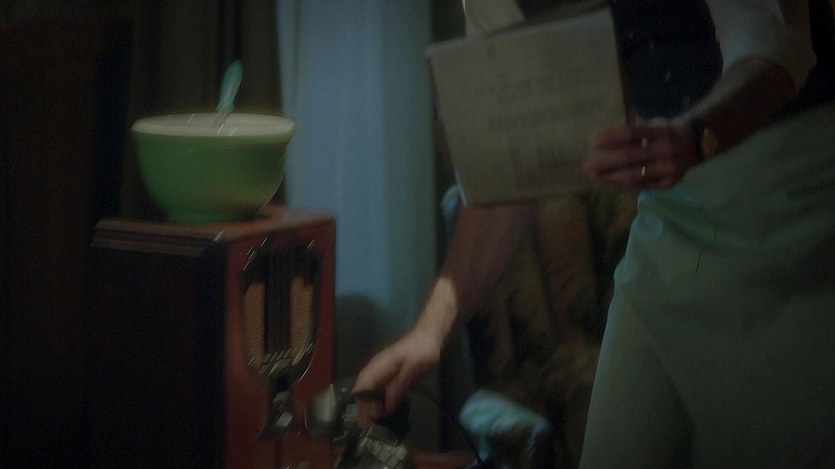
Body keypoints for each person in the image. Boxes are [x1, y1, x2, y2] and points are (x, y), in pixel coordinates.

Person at [354, 0, 835, 466]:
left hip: (797, 219)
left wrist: (696, 134)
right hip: (671, 228)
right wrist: (429, 334)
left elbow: (772, 50)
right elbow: (511, 175)